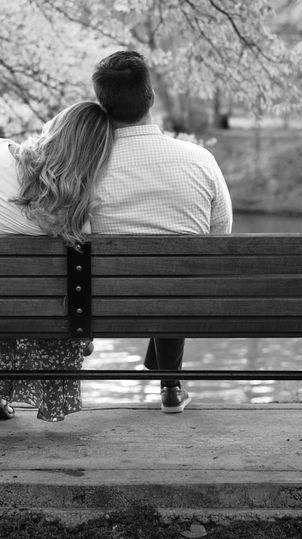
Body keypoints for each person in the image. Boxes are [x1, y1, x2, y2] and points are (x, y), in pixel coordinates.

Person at [90, 50, 232, 414]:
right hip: (183, 297)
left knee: (162, 274)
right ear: (150, 97)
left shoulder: (86, 170)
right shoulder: (200, 160)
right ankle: (170, 381)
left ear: (102, 105)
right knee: (174, 272)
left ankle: (168, 379)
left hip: (104, 302)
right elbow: (220, 235)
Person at [0, 101, 113, 424]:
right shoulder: (77, 215)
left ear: (54, 127)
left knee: (1, 289)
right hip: (44, 319)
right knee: (60, 298)